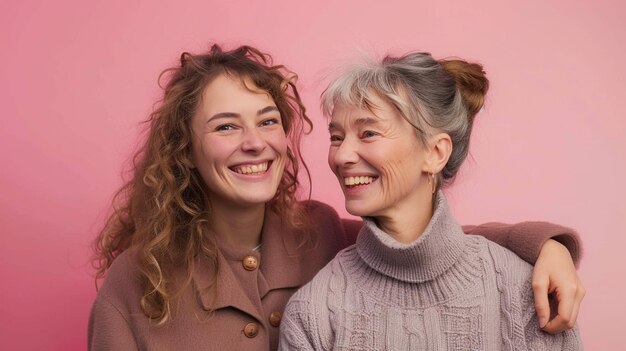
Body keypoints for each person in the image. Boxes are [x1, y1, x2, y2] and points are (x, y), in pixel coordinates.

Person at [88, 45, 583, 351]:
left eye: (267, 121)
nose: (254, 142)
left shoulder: (318, 231)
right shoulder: (135, 283)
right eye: (225, 126)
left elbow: (421, 248)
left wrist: (546, 246)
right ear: (186, 151)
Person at [278, 52, 584, 350]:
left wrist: (550, 245)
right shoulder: (314, 313)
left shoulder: (527, 293)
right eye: (336, 137)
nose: (342, 156)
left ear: (435, 153)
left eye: (368, 133)